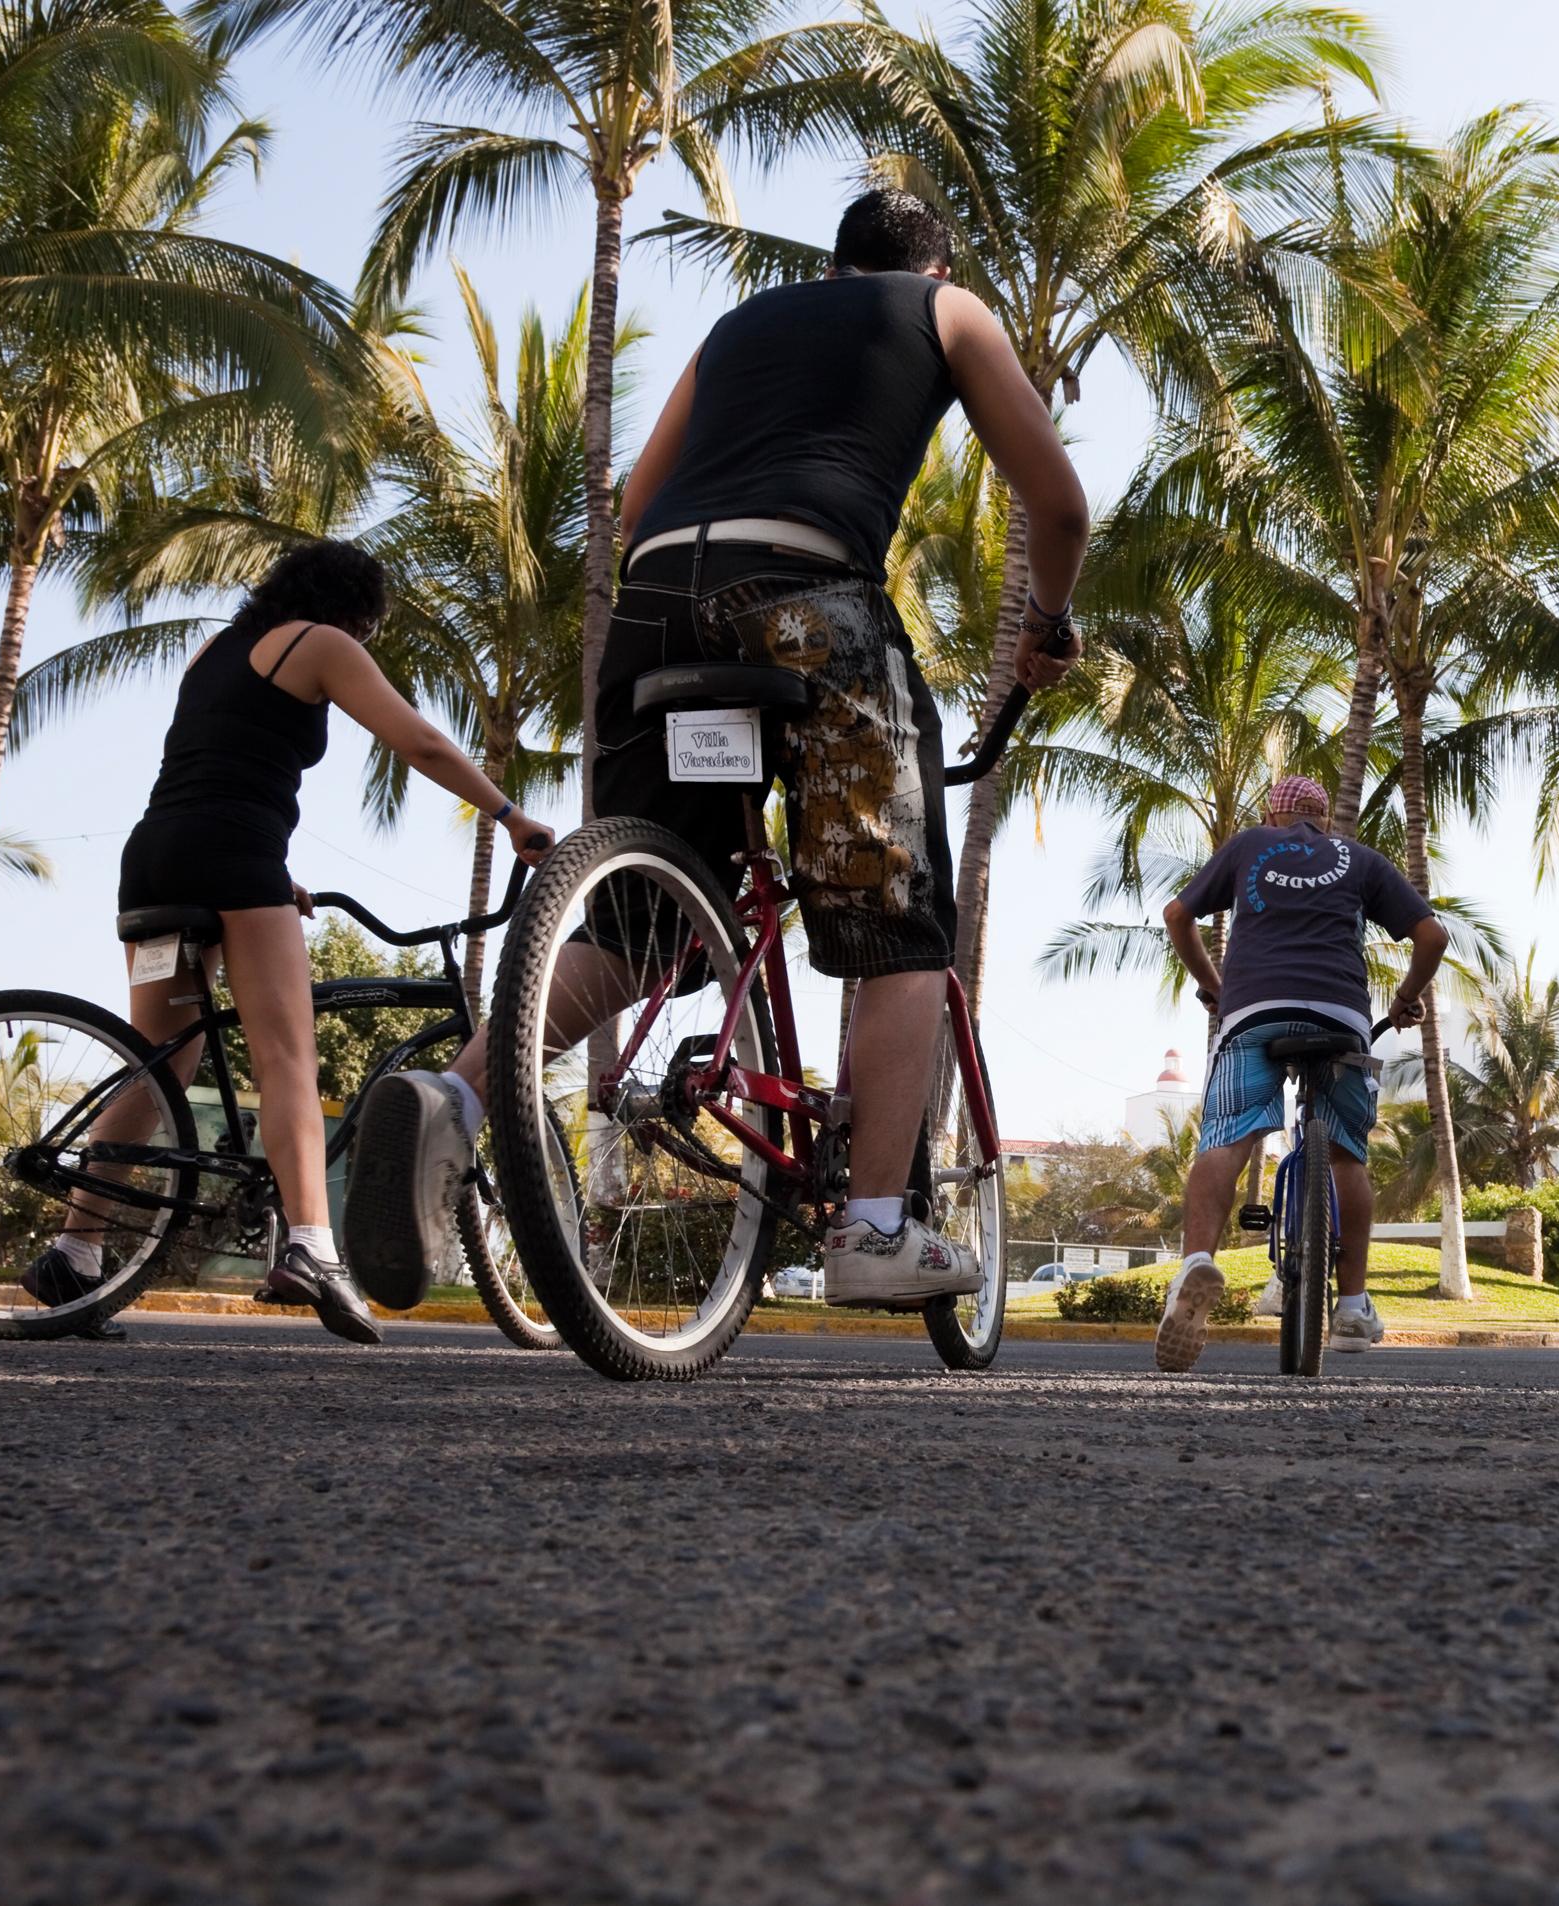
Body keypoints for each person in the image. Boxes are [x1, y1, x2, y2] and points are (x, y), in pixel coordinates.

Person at [342, 188, 1089, 1307]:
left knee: (643, 924)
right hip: (806, 598)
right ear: (932, 271)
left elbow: (639, 499)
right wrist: (1045, 625)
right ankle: (876, 1227)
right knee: (896, 923)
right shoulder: (949, 312)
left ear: (832, 268)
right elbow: (1060, 506)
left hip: (655, 608)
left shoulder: (738, 326)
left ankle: (453, 1100)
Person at [29, 540, 554, 1343]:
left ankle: (76, 1249)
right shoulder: (320, 644)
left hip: (160, 854)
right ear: (354, 610)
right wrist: (511, 816)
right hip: (234, 854)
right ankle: (311, 1245)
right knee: (287, 1057)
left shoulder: (214, 649)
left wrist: (277, 877)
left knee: (160, 1057)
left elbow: (220, 760)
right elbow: (418, 742)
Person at [1152, 777, 1451, 1369]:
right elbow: (1432, 935)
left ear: (1273, 815)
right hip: (1341, 1015)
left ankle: (1192, 1267)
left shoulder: (1248, 846)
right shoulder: (1359, 858)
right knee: (1346, 1155)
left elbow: (1177, 916)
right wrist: (1405, 997)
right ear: (1324, 819)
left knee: (1229, 1136)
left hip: (1254, 1012)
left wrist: (1218, 987)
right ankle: (1353, 1307)